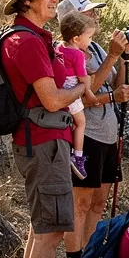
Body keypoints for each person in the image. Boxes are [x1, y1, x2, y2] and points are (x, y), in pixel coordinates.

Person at [0, 0, 85, 258]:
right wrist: (81, 88)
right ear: (28, 1)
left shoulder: (31, 38)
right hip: (44, 143)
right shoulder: (27, 42)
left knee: (41, 230)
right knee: (49, 233)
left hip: (43, 141)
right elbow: (51, 100)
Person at [56, 0, 129, 258]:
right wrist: (113, 58)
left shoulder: (98, 48)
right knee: (81, 202)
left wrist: (122, 58)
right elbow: (88, 94)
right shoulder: (74, 52)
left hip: (107, 131)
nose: (97, 18)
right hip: (85, 133)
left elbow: (116, 87)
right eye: (90, 13)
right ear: (74, 21)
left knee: (99, 201)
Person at [56, 10, 95, 180]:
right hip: (72, 89)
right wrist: (90, 89)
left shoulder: (58, 47)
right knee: (81, 122)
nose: (91, 41)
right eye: (89, 37)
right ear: (76, 39)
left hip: (60, 88)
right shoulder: (78, 54)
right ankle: (78, 155)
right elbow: (82, 78)